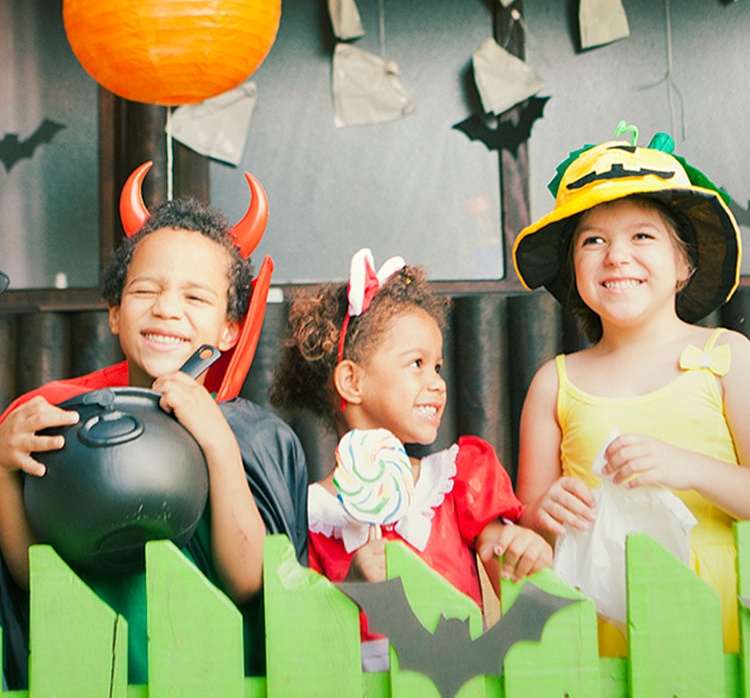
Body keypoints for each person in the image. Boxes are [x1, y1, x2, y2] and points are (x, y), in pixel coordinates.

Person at [0, 184, 309, 687]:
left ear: (229, 328)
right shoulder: (62, 420)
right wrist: (3, 470)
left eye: (195, 296)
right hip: (89, 679)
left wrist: (218, 443)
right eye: (145, 291)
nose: (166, 308)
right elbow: (33, 578)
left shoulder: (252, 437)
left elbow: (251, 579)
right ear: (115, 312)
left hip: (212, 680)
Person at [514, 129, 750, 655]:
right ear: (573, 267)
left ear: (684, 264)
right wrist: (542, 513)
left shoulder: (727, 357)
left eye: (642, 236)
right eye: (592, 240)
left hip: (725, 619)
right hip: (597, 625)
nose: (616, 256)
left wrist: (687, 467)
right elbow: (527, 525)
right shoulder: (553, 384)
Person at [271, 249, 551, 672]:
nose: (437, 383)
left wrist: (519, 548)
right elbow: (302, 631)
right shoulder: (309, 515)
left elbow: (501, 561)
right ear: (352, 381)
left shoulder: (456, 479)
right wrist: (352, 585)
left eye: (437, 366)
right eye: (417, 364)